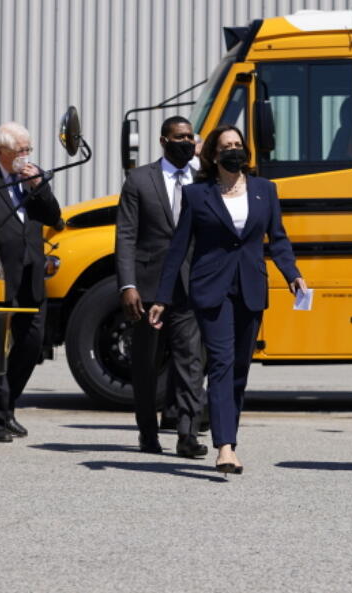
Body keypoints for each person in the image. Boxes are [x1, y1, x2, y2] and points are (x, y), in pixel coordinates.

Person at [149, 125, 306, 474]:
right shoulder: (197, 194)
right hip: (211, 290)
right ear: (214, 155)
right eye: (226, 146)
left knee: (239, 371)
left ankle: (228, 436)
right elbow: (178, 248)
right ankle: (225, 447)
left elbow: (277, 239)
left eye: (238, 144)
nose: (234, 150)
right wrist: (163, 297)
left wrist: (292, 274)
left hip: (250, 288)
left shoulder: (265, 190)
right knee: (220, 364)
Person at [0, 121, 63, 442]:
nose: (26, 155)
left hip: (32, 274)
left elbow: (53, 216)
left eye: (29, 149)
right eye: (21, 151)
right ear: (1, 151)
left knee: (31, 344)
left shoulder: (32, 175)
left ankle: (9, 406)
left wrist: (37, 186)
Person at [116, 116, 208, 457]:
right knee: (145, 363)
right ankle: (147, 432)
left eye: (190, 137)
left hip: (188, 287)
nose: (186, 141)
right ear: (163, 141)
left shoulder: (202, 180)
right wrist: (128, 285)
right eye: (179, 137)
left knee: (190, 362)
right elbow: (125, 235)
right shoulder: (140, 180)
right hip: (149, 286)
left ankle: (188, 435)